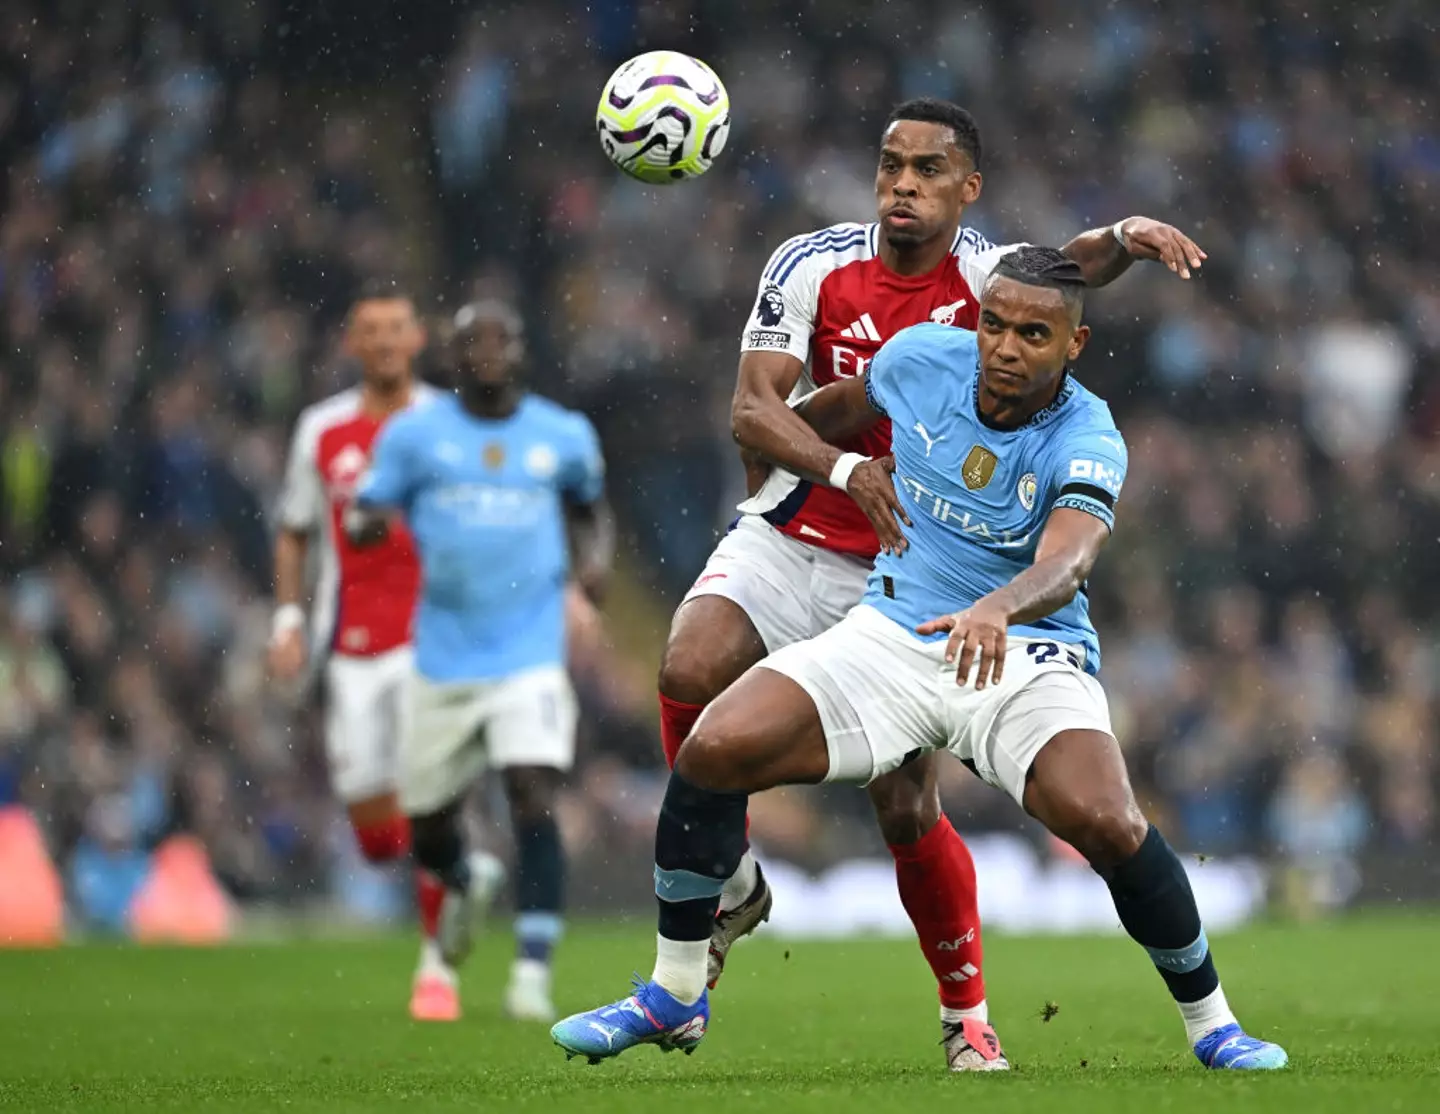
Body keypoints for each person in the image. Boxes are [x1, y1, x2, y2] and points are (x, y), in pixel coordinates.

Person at [552, 247, 1288, 1071]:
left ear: (1072, 346)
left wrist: (996, 607)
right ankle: (676, 991)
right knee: (712, 750)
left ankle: (1213, 1024)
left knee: (1109, 822)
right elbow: (814, 417)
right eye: (994, 325)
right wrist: (789, 478)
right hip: (891, 635)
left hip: (1026, 652)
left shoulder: (1088, 434)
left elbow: (1069, 563)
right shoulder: (915, 358)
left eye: (1033, 334)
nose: (1006, 347)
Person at [656, 96, 1207, 1069]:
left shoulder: (987, 276)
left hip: (907, 556)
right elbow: (755, 409)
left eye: (926, 171)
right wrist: (835, 470)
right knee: (691, 662)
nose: (902, 185)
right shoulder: (811, 262)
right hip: (802, 528)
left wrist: (1125, 235)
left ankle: (966, 1015)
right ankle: (731, 885)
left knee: (908, 810)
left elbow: (1072, 268)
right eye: (890, 166)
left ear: (967, 189)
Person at [350, 300, 611, 1024]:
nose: (489, 352)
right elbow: (366, 506)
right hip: (442, 655)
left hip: (529, 652)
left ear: (524, 350)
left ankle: (532, 970)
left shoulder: (561, 434)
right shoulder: (414, 436)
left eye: (502, 339)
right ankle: (466, 878)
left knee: (532, 790)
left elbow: (591, 509)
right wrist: (365, 523)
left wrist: (593, 570)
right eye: (474, 342)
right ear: (453, 357)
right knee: (429, 823)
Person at [269, 284, 440, 868]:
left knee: (429, 784)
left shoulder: (446, 422)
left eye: (396, 328)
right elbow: (294, 529)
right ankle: (447, 867)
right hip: (349, 639)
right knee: (376, 841)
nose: (385, 341)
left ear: (417, 338)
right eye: (372, 330)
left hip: (433, 637)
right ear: (352, 343)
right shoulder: (320, 429)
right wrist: (287, 621)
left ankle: (443, 917)